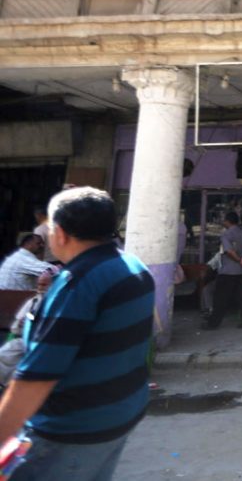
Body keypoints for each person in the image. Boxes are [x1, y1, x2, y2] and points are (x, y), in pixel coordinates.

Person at [0, 187, 154, 480]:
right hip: (119, 415)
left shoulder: (77, 284)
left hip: (72, 430)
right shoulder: (133, 267)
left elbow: (37, 379)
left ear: (60, 233)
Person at [0, 267, 58, 389]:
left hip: (46, 343)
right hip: (25, 339)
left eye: (44, 284)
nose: (40, 287)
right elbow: (17, 325)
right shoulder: (34, 301)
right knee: (5, 354)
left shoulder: (58, 302)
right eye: (39, 284)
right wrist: (20, 324)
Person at [201, 211, 242, 330]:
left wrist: (239, 260)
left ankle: (213, 323)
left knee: (220, 298)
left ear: (227, 221)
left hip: (229, 271)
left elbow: (229, 251)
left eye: (224, 220)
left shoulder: (226, 235)